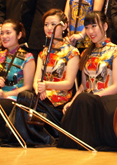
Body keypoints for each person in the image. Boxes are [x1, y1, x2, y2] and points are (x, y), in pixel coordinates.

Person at [58, 11, 117, 150]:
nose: (90, 31)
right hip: (87, 99)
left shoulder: (116, 51)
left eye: (94, 26)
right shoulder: (86, 53)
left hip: (106, 99)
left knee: (85, 100)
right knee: (76, 104)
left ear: (105, 26)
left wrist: (94, 96)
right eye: (87, 27)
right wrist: (72, 101)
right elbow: (82, 85)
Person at [25, 9, 79, 140]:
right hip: (43, 96)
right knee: (24, 96)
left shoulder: (72, 52)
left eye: (53, 24)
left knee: (27, 100)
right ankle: (32, 137)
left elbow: (69, 84)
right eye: (46, 24)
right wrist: (39, 89)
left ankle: (45, 137)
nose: (49, 28)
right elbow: (36, 79)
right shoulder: (43, 52)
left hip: (60, 100)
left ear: (64, 26)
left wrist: (46, 86)